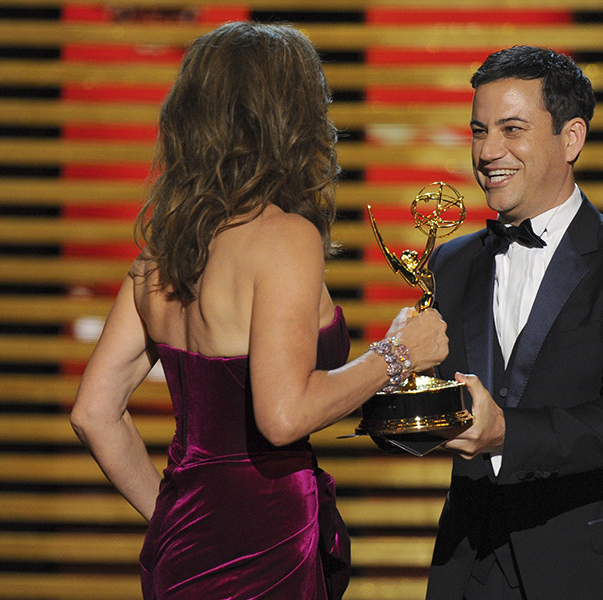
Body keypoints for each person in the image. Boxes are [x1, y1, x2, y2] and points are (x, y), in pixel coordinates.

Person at [69, 22, 448, 600]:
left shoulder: (161, 257)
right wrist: (395, 355)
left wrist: (173, 518)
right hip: (268, 544)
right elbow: (283, 415)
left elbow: (95, 413)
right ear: (292, 120)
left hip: (184, 548)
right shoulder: (285, 238)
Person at [425, 46, 603, 599]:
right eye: (479, 130)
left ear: (571, 138)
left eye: (511, 129)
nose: (487, 151)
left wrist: (506, 431)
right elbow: (437, 408)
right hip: (476, 571)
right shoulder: (450, 264)